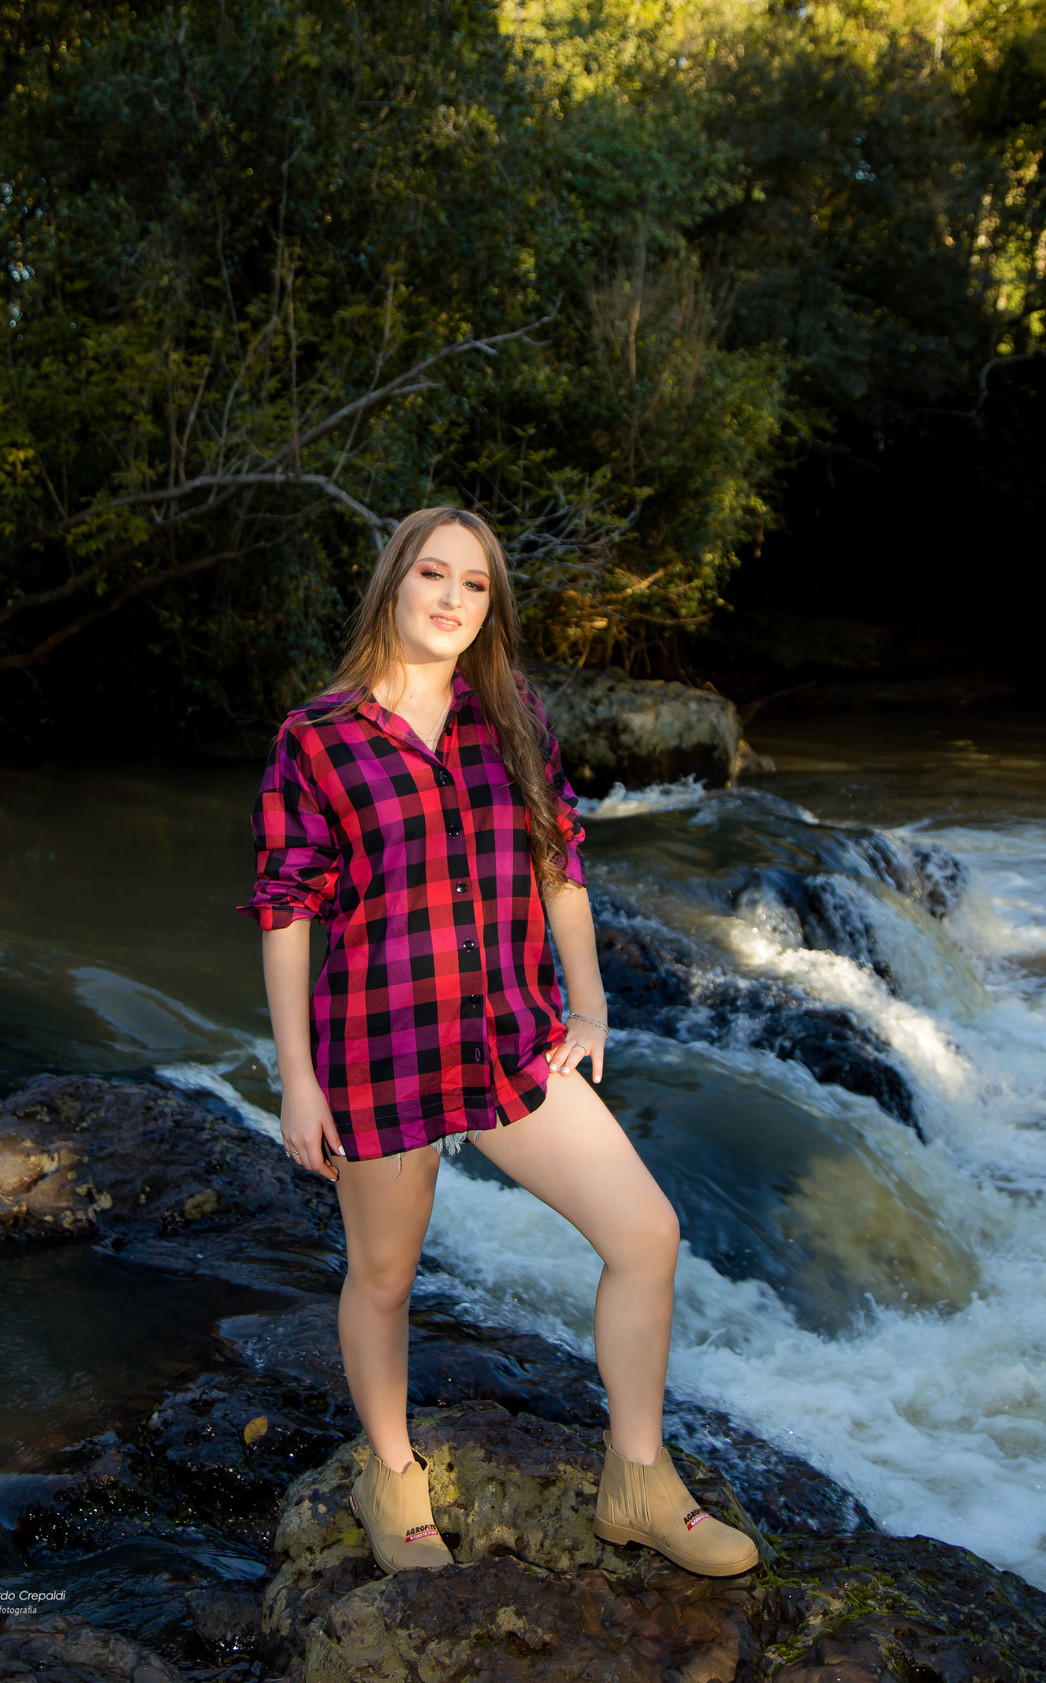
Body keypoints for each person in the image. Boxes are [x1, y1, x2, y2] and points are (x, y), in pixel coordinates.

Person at [241, 505, 757, 1579]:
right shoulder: (318, 737)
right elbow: (287, 912)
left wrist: (591, 1006)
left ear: (491, 606)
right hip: (382, 1048)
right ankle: (392, 1480)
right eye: (433, 573)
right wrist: (296, 1080)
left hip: (510, 1039)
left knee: (646, 1235)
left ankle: (638, 1480)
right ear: (393, 582)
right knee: (385, 1277)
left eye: (474, 584)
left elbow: (558, 862)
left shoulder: (509, 715)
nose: (452, 598)